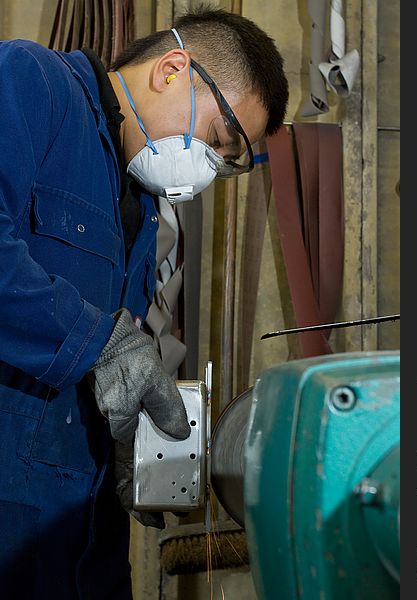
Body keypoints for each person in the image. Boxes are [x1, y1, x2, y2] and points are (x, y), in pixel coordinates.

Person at [0, 5, 288, 599]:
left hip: (78, 537)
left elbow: (113, 362)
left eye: (226, 163)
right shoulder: (31, 82)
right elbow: (98, 345)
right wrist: (96, 343)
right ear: (173, 69)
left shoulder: (142, 206)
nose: (209, 168)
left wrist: (128, 441)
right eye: (216, 140)